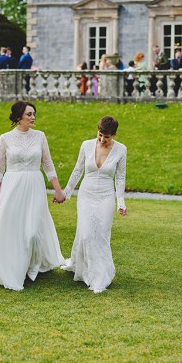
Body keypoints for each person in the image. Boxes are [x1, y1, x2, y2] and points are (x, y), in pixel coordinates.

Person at [0, 101, 66, 291]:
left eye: (34, 114)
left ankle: (33, 266)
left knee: (32, 231)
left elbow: (47, 164)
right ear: (18, 117)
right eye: (29, 114)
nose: (33, 117)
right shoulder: (5, 138)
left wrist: (58, 189)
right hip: (12, 186)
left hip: (34, 185)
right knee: (13, 228)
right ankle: (15, 266)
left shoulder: (40, 136)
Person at [61, 116, 127, 293]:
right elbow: (77, 170)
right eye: (100, 135)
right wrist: (66, 193)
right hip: (86, 195)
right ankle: (85, 270)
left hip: (106, 197)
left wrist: (121, 202)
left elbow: (120, 177)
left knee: (102, 235)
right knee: (87, 234)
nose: (102, 139)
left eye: (107, 137)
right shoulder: (86, 145)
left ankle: (100, 276)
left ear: (114, 135)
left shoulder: (121, 150)